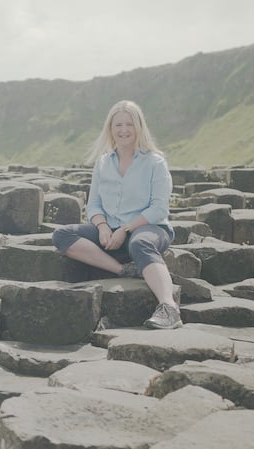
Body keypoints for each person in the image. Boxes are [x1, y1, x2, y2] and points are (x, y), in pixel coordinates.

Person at [52, 100, 181, 329]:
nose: (123, 130)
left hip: (149, 229)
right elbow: (94, 205)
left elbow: (159, 208)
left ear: (139, 127)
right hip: (110, 230)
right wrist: (102, 227)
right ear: (110, 129)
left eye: (129, 124)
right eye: (118, 124)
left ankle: (169, 308)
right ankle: (124, 269)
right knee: (62, 235)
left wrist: (125, 229)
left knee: (140, 244)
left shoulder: (154, 162)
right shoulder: (103, 163)